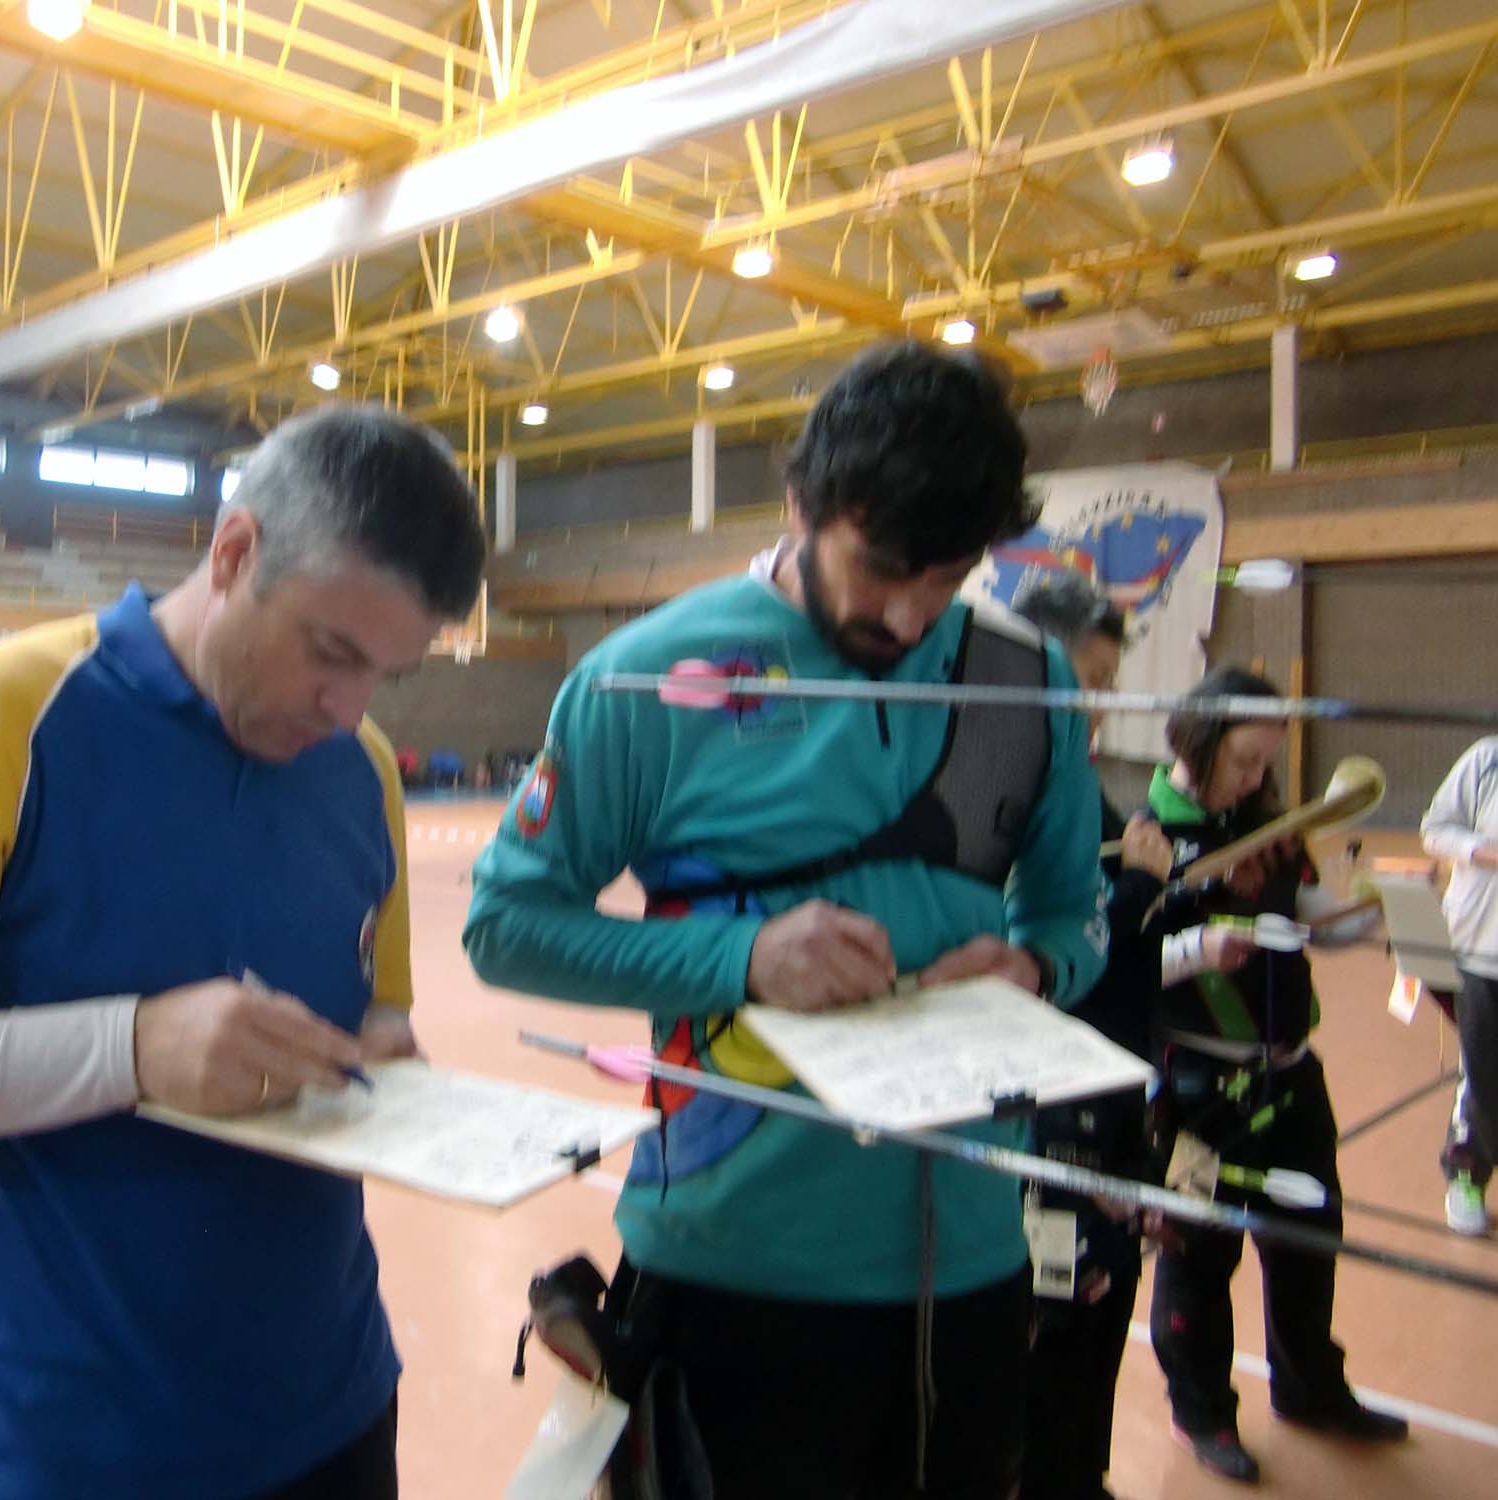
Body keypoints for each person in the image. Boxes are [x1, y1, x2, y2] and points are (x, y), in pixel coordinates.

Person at [0, 404, 486, 1500]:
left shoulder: (360, 767)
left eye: (386, 673)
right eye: (330, 653)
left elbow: (374, 1015)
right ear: (234, 554)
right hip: (56, 1450)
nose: (348, 708)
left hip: (331, 1417)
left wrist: (387, 1058)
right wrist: (132, 1049)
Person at [465, 340, 1109, 1498]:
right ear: (800, 503)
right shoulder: (642, 680)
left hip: (969, 1262)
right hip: (728, 1268)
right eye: (882, 567)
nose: (907, 614)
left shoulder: (1028, 682)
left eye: (946, 577)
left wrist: (1031, 968)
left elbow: (1075, 913)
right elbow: (505, 925)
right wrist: (743, 956)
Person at [1008, 576, 1253, 1500]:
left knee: (1103, 1304)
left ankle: (1081, 1474)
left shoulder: (1083, 792)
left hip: (1110, 1096)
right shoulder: (1004, 800)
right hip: (1048, 1114)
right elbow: (1052, 967)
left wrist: (1174, 904)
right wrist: (1143, 890)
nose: (1102, 704)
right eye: (1092, 679)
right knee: (1058, 1312)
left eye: (1110, 684)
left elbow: (1127, 950)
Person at [1144, 666, 1407, 1483]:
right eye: (1245, 760)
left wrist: (1365, 910)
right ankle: (1201, 1411)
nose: (1257, 778)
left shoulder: (1270, 824)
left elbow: (1308, 919)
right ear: (1199, 741)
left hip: (1291, 1075)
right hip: (1197, 1089)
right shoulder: (1146, 837)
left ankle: (1309, 1389)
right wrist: (1198, 949)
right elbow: (1116, 959)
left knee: (1309, 1239)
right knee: (1198, 1253)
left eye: (1266, 762)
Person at [1420, 737, 1498, 1236]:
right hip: (1480, 950)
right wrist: (1483, 852)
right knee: (1484, 1073)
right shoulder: (1487, 759)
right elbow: (1435, 830)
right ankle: (1466, 1173)